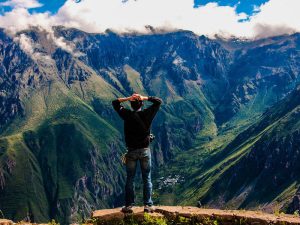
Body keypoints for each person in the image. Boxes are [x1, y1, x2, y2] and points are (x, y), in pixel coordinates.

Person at [112, 93, 162, 213]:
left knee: (130, 178)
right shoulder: (147, 114)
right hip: (145, 151)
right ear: (142, 104)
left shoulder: (127, 114)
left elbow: (115, 103)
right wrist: (144, 97)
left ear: (131, 104)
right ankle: (148, 205)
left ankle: (129, 206)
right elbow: (158, 101)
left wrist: (129, 98)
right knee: (147, 178)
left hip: (131, 152)